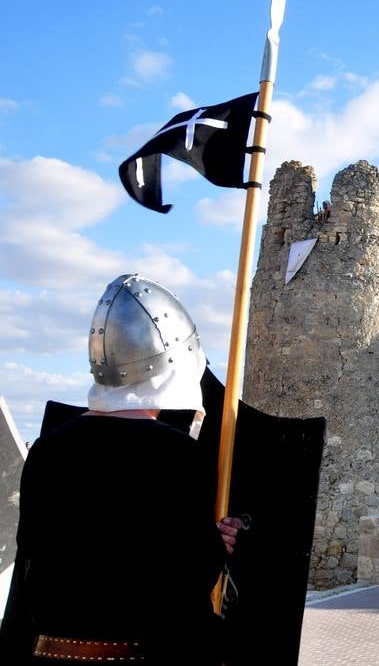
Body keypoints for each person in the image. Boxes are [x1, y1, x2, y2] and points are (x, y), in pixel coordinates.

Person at [1, 275, 241, 665]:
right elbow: (185, 581)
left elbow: (39, 559)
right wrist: (215, 545)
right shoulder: (179, 455)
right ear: (174, 362)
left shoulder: (47, 449)